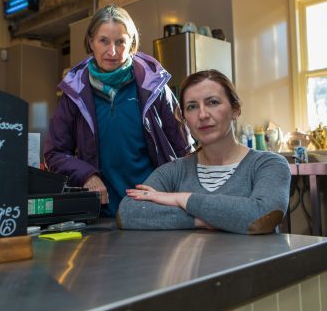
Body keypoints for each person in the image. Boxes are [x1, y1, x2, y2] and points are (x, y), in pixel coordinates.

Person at [44, 4, 193, 217]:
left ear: (131, 43)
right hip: (100, 215)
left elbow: (184, 151)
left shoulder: (155, 87)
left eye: (120, 42)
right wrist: (87, 176)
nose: (112, 51)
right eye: (103, 40)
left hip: (154, 211)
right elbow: (55, 153)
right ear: (91, 42)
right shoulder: (74, 92)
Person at [117, 69, 290, 234]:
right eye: (192, 107)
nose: (202, 115)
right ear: (184, 118)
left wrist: (180, 199)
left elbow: (262, 216)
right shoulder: (175, 171)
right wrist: (199, 221)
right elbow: (127, 212)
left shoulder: (268, 164)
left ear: (235, 110)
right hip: (190, 264)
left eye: (213, 102)